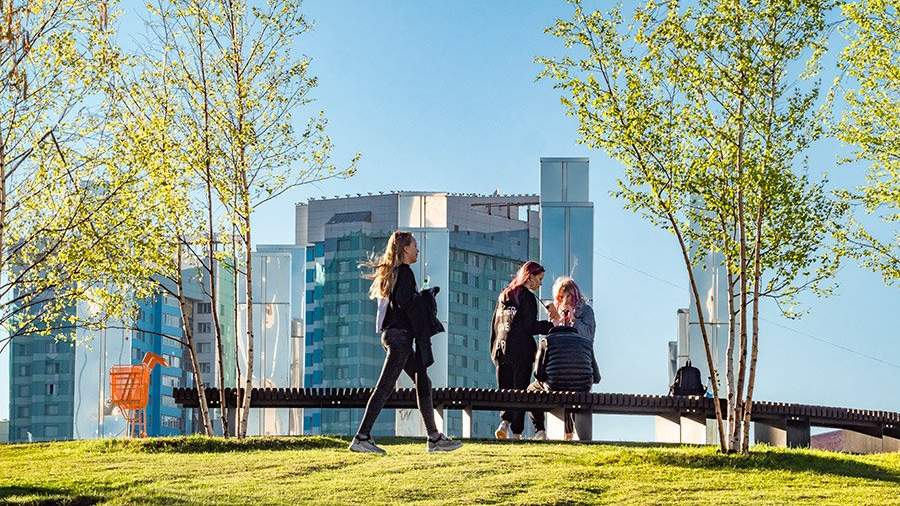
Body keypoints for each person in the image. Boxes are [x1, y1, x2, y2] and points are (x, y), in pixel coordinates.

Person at [349, 231, 462, 455]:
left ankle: (434, 438)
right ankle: (361, 437)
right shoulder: (404, 272)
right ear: (405, 249)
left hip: (396, 336)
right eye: (415, 246)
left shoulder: (395, 273)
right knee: (385, 386)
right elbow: (405, 302)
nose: (417, 250)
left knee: (423, 381)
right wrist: (425, 298)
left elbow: (401, 302)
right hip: (399, 338)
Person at [529, 276, 601, 440]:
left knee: (558, 385)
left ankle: (557, 433)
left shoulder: (585, 311)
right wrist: (555, 321)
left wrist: (573, 320)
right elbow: (552, 343)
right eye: (561, 297)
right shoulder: (559, 312)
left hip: (578, 364)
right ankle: (566, 434)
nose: (565, 301)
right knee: (564, 380)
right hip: (570, 369)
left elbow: (587, 336)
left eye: (568, 296)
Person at [490, 261, 553, 440]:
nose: (540, 283)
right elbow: (529, 327)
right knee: (520, 393)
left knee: (506, 391)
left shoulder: (504, 295)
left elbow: (495, 324)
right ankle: (516, 434)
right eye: (539, 279)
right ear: (530, 276)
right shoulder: (528, 298)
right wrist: (551, 326)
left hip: (501, 350)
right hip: (521, 352)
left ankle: (504, 423)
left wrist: (494, 350)